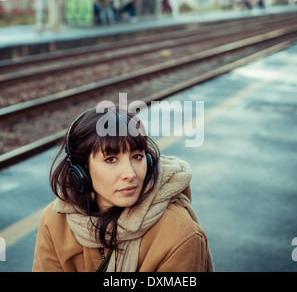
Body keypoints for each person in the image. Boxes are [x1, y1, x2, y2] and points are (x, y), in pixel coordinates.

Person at [32, 107, 213, 272]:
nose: (130, 174)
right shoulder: (55, 220)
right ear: (81, 171)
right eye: (111, 159)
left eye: (137, 156)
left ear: (149, 163)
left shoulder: (180, 234)